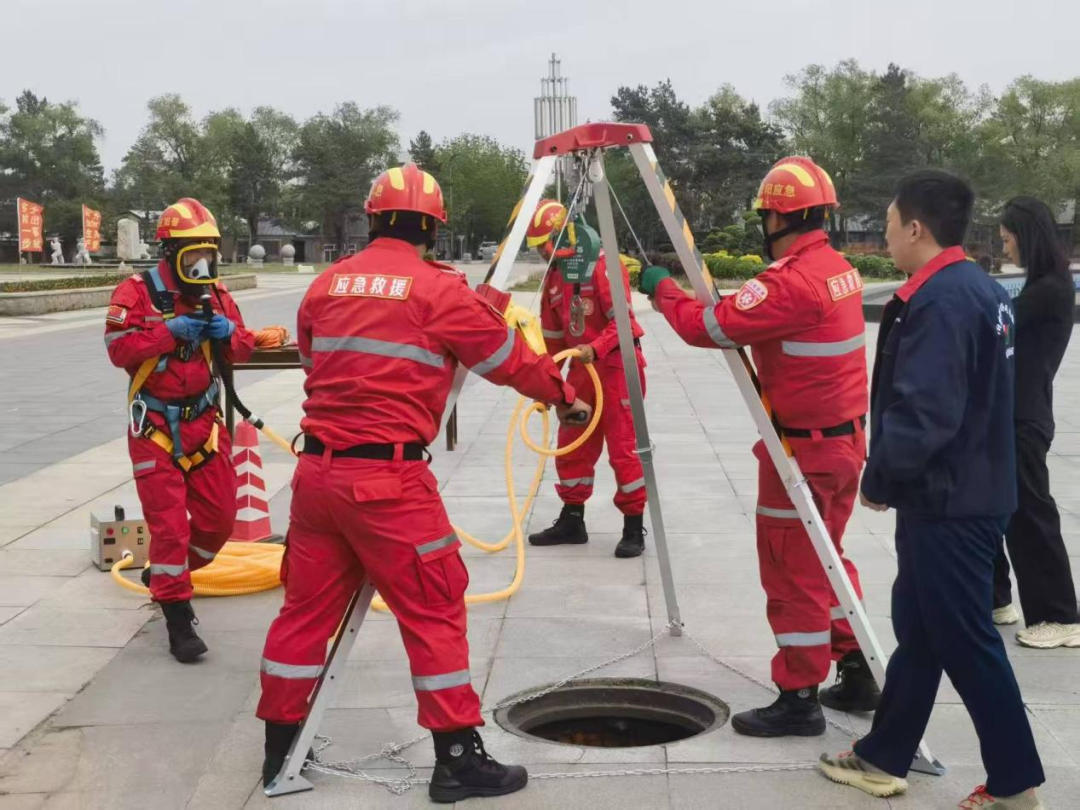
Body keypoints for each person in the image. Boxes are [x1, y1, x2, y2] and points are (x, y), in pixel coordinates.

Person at [256, 164, 591, 802]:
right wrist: (564, 396)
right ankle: (458, 760)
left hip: (318, 476)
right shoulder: (438, 291)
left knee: (303, 613)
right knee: (435, 610)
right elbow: (507, 359)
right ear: (433, 229)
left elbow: (312, 357)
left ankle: (280, 750)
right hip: (388, 484)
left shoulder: (327, 284)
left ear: (372, 219)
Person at [819, 171, 1045, 808]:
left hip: (952, 500)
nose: (887, 234)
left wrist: (882, 476)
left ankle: (1015, 785)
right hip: (966, 488)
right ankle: (883, 755)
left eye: (890, 223)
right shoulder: (979, 288)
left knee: (967, 639)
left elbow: (926, 411)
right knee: (920, 628)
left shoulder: (943, 301)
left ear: (916, 227)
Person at [640, 156, 879, 736]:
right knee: (827, 556)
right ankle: (857, 668)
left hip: (803, 455)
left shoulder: (789, 283)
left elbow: (706, 327)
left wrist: (662, 288)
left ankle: (799, 698)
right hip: (843, 445)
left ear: (778, 218)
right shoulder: (836, 269)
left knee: (792, 571)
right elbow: (751, 314)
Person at [104, 198, 254, 663]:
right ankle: (177, 616)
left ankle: (168, 575)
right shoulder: (136, 292)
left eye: (208, 253)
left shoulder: (217, 293)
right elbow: (118, 349)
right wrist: (171, 331)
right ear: (170, 253)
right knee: (168, 528)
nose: (201, 263)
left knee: (219, 522)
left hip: (204, 425)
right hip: (154, 427)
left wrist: (227, 332)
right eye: (193, 254)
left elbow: (243, 348)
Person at [525, 199, 649, 558]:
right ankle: (572, 520)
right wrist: (547, 384)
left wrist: (596, 347)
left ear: (565, 237)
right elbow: (552, 340)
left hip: (617, 368)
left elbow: (624, 322)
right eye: (538, 248)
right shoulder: (555, 278)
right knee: (572, 445)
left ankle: (633, 526)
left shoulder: (603, 266)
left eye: (545, 245)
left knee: (624, 449)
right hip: (580, 373)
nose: (542, 254)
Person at [992, 197, 1079, 647]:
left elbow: (997, 324)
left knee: (1031, 516)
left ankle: (1060, 617)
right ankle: (996, 599)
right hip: (1011, 413)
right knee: (996, 509)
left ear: (1026, 236)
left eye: (1008, 239)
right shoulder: (1043, 283)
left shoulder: (1049, 290)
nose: (1006, 248)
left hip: (1024, 418)